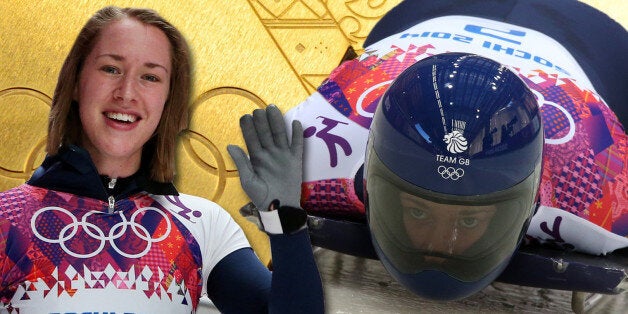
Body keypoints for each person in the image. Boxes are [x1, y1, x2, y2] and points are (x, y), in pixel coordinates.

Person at [246, 0, 627, 301]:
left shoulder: (598, 181)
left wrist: (283, 217)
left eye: (468, 221)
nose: (439, 247)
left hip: (577, 38)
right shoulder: (312, 144)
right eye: (417, 210)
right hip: (443, 19)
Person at [0, 6, 324, 313]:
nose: (126, 92)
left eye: (150, 77)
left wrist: (285, 218)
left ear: (169, 99)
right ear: (75, 82)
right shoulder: (6, 220)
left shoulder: (202, 223)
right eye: (111, 69)